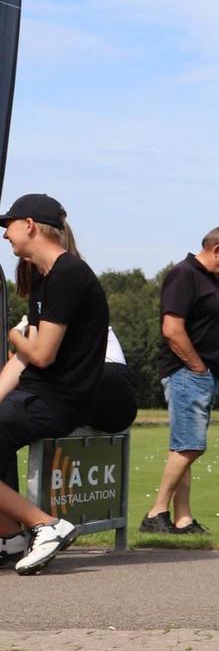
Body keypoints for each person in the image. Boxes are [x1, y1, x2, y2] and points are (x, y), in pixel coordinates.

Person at [0, 195, 107, 575]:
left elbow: (40, 354)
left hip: (54, 402)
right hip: (37, 395)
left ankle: (45, 524)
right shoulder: (47, 280)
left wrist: (15, 336)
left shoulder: (67, 275)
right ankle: (10, 536)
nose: (5, 235)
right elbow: (26, 361)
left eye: (8, 226)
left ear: (29, 224)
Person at [139, 225, 219, 535]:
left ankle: (182, 518)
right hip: (188, 373)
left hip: (199, 375)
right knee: (190, 445)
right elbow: (172, 328)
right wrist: (197, 367)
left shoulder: (207, 279)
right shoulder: (184, 274)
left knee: (181, 448)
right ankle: (157, 512)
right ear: (216, 249)